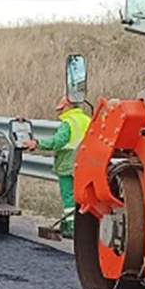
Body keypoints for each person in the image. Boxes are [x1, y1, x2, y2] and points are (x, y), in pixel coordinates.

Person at [21, 96, 91, 238]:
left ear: (68, 107)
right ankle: (78, 225)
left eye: (61, 109)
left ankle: (71, 228)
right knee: (83, 197)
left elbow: (58, 141)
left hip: (68, 164)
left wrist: (37, 143)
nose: (59, 112)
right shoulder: (87, 120)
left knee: (69, 197)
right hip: (86, 164)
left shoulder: (69, 123)